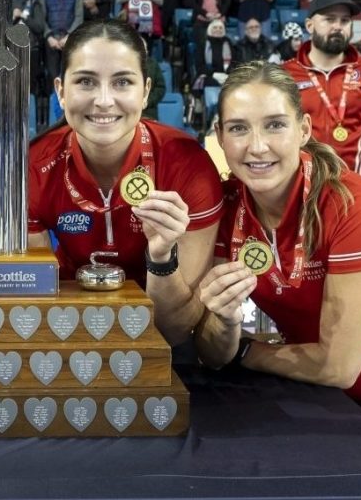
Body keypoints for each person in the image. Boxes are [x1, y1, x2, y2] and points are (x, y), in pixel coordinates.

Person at [195, 60, 361, 440]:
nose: (257, 147)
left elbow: (338, 365)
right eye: (239, 128)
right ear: (220, 137)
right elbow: (213, 353)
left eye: (275, 124)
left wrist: (246, 352)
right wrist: (224, 322)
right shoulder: (226, 209)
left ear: (303, 129)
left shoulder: (351, 205)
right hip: (316, 394)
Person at [28, 19, 224, 346]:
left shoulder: (188, 165)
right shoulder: (35, 165)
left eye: (122, 82)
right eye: (86, 82)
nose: (104, 100)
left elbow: (176, 330)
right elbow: (35, 300)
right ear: (61, 92)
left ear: (145, 91)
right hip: (68, 326)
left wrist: (162, 258)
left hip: (161, 336)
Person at [283, 0, 361, 209]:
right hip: (302, 199)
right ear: (309, 25)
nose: (338, 26)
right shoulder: (285, 75)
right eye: (329, 19)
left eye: (345, 21)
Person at [39, 0, 84, 94]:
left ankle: (70, 113)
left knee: (71, 77)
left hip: (70, 40)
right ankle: (56, 113)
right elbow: (41, 18)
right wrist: (49, 37)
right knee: (54, 79)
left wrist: (69, 36)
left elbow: (79, 17)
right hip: (51, 41)